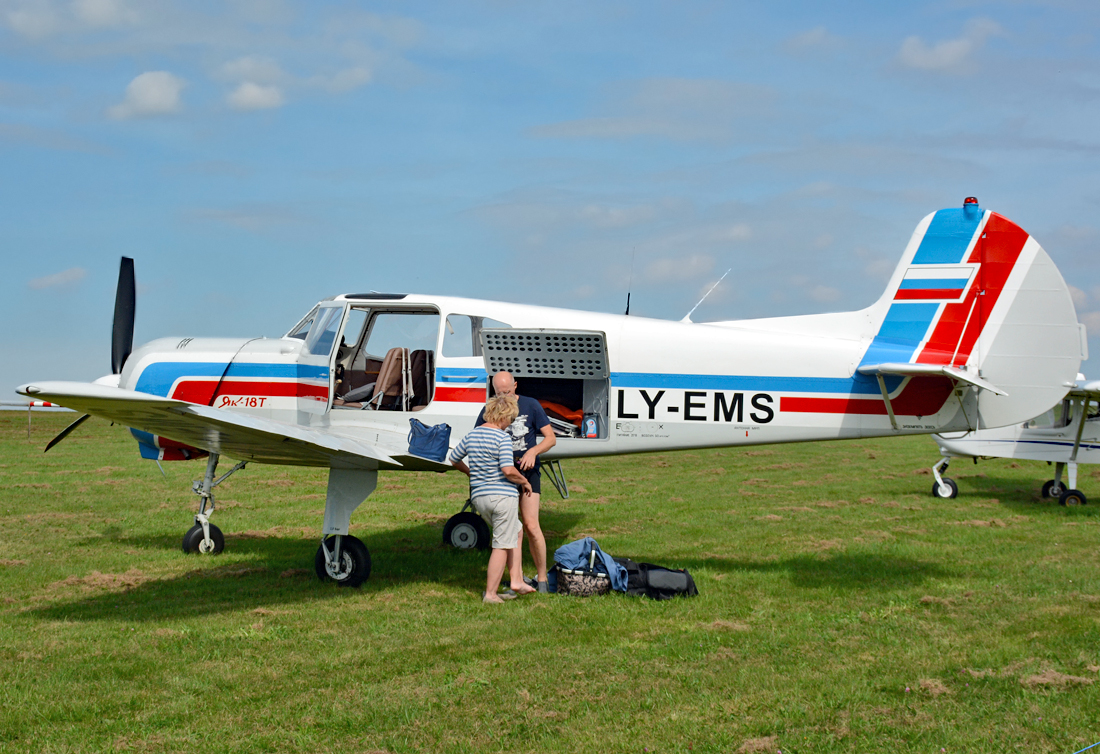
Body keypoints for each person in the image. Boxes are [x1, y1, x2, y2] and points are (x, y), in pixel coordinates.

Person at [449, 394, 535, 604]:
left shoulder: (472, 435)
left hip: (480, 497)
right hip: (502, 497)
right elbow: (507, 469)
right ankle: (490, 594)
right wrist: (524, 481)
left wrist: (471, 473)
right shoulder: (502, 437)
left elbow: (453, 459)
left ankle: (515, 580)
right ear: (504, 417)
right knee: (501, 545)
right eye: (511, 419)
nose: (510, 424)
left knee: (516, 530)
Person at [475, 371, 556, 592]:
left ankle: (541, 579)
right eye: (500, 393)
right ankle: (516, 579)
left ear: (516, 386)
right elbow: (479, 437)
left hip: (528, 473)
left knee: (531, 525)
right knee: (511, 528)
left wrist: (533, 452)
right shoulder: (489, 409)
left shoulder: (531, 405)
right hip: (502, 477)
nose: (505, 396)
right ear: (494, 391)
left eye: (509, 392)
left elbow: (551, 438)